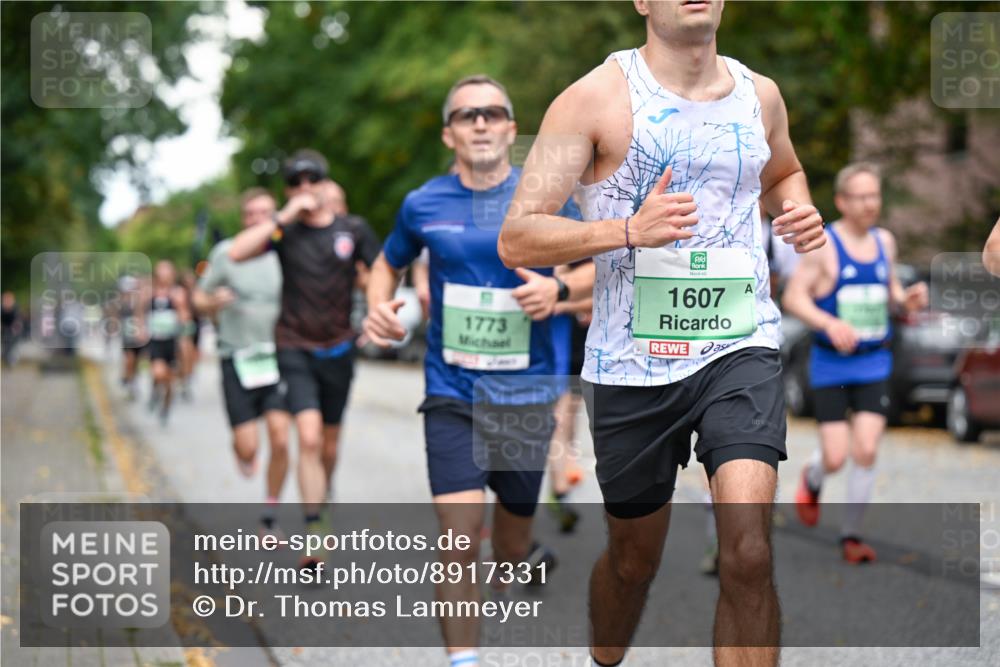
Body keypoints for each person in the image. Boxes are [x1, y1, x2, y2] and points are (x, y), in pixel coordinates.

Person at [497, 2, 827, 665]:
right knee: (633, 562)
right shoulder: (592, 99)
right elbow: (518, 235)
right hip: (631, 366)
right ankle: (604, 655)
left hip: (739, 344)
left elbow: (783, 172)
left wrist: (797, 208)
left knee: (748, 551)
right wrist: (627, 230)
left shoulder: (760, 95)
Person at [364, 74, 592, 667]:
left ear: (512, 130)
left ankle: (521, 557)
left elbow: (609, 265)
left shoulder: (548, 198)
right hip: (452, 392)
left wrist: (558, 290)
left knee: (509, 550)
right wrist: (377, 306)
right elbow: (386, 265)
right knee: (459, 539)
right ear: (450, 134)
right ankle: (463, 660)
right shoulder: (423, 203)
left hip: (527, 395)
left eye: (493, 113)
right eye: (468, 115)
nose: (482, 122)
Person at [229, 149, 380, 571]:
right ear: (288, 190)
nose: (305, 187)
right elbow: (238, 252)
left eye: (312, 179)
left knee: (328, 444)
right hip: (294, 347)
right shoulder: (286, 232)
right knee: (308, 439)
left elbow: (383, 271)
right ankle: (314, 531)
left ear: (324, 183)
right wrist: (284, 215)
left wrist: (377, 308)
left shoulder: (352, 229)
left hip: (339, 350)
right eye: (295, 182)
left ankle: (322, 498)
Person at [783, 162, 928, 563]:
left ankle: (851, 536)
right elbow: (794, 297)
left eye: (874, 196)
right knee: (836, 456)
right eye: (860, 197)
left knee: (865, 449)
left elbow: (889, 289)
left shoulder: (885, 241)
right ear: (842, 201)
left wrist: (905, 300)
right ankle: (813, 478)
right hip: (831, 363)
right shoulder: (826, 245)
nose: (869, 204)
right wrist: (829, 323)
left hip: (873, 361)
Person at [194, 188, 291, 537]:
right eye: (251, 214)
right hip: (236, 357)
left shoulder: (285, 252)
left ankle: (270, 514)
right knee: (249, 448)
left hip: (277, 359)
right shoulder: (226, 253)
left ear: (275, 216)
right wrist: (212, 302)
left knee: (281, 439)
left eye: (265, 213)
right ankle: (242, 449)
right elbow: (198, 298)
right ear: (243, 218)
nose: (257, 220)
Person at [145, 260, 191, 426]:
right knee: (158, 372)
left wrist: (179, 308)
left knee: (169, 381)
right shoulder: (150, 292)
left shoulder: (178, 293)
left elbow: (185, 317)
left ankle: (165, 409)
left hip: (172, 341)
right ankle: (155, 390)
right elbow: (141, 312)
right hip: (156, 340)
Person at [1, 291, 23, 367]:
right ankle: (6, 357)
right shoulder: (1, 309)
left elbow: (18, 320)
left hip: (13, 330)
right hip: (4, 329)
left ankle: (11, 360)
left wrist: (16, 327)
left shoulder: (15, 308)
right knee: (5, 345)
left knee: (12, 345)